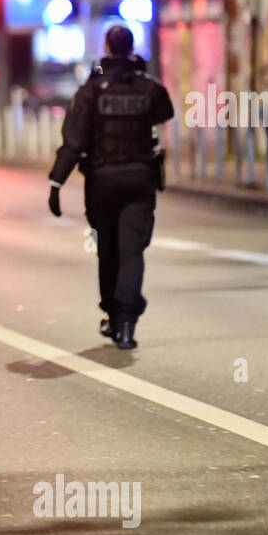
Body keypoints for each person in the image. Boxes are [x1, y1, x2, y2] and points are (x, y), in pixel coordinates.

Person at [47, 24, 173, 350]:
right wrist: (139, 71)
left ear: (106, 47)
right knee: (132, 252)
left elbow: (73, 141)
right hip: (139, 180)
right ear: (131, 48)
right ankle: (127, 323)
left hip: (103, 182)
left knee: (108, 251)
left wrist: (56, 182)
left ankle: (114, 315)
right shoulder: (146, 86)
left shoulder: (93, 88)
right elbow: (165, 109)